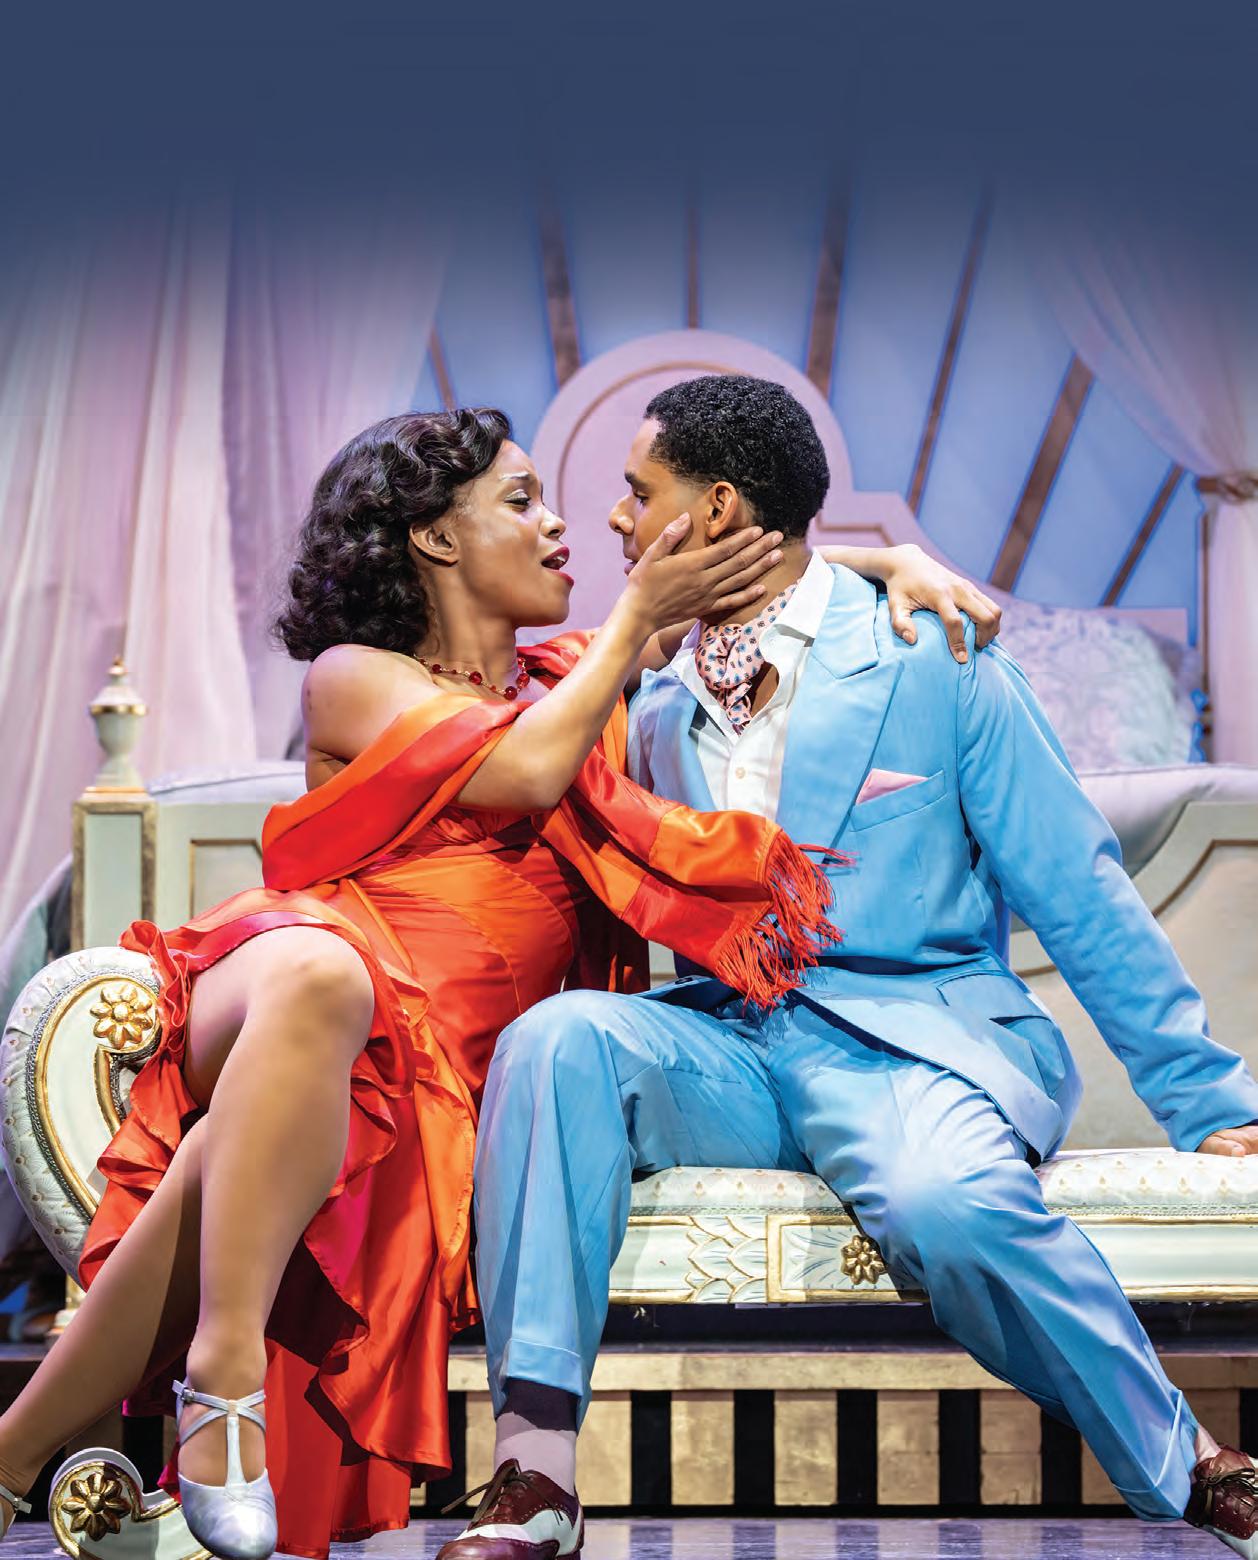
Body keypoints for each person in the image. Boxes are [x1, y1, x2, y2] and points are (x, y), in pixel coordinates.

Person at [0, 407, 989, 1560]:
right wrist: (636, 622)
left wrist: (885, 558)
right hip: (286, 982)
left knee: (242, 1154)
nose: (562, 522)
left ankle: (14, 1455)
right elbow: (519, 768)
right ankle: (224, 1377)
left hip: (410, 1078)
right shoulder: (357, 677)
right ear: (434, 538)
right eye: (521, 500)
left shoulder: (567, 683)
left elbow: (757, 574)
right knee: (323, 975)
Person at [463, 374, 1258, 1560]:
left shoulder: (933, 655)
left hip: (913, 1044)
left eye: (639, 492)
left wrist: (1207, 1102)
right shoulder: (651, 696)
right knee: (557, 1037)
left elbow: (1076, 887)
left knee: (946, 1202)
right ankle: (534, 1474)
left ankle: (1185, 1463)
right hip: (732, 1048)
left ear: (716, 508)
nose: (616, 519)